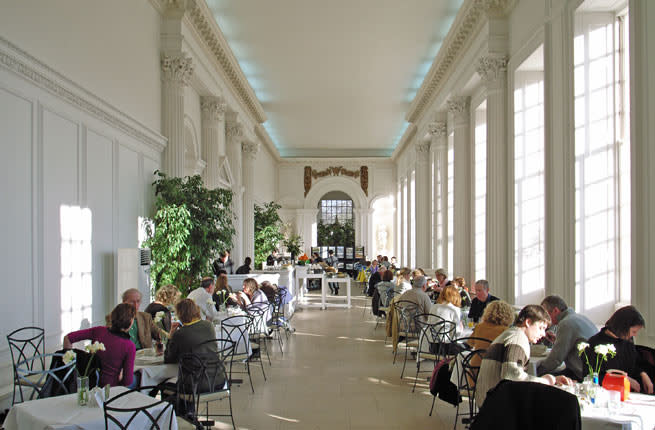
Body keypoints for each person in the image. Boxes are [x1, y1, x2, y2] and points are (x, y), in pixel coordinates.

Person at [475, 305, 572, 406]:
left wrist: (552, 380)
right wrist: (546, 381)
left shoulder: (511, 334)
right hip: (497, 408)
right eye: (541, 328)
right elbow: (512, 377)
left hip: (489, 402)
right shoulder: (518, 338)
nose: (543, 334)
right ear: (528, 322)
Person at [65, 303, 136, 387]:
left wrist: (69, 367)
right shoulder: (129, 346)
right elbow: (127, 381)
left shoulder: (98, 331)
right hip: (110, 389)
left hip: (90, 382)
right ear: (131, 321)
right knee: (138, 378)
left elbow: (67, 338)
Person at [585, 306, 653, 393]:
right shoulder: (594, 344)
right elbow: (592, 376)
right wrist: (623, 379)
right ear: (623, 328)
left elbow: (633, 364)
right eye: (633, 332)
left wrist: (643, 374)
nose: (635, 335)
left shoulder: (627, 340)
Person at [537, 295, 598, 381]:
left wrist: (535, 371)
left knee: (542, 378)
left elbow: (556, 359)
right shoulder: (579, 317)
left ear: (555, 311)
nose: (544, 319)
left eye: (546, 314)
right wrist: (557, 340)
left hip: (581, 375)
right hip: (593, 372)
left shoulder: (566, 323)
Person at [164, 299, 218, 364]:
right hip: (216, 370)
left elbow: (169, 359)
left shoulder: (179, 334)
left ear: (179, 314)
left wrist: (170, 336)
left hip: (194, 372)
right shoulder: (209, 325)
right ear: (196, 310)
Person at [468, 300, 516, 368]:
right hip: (494, 369)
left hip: (475, 368)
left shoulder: (479, 327)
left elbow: (470, 342)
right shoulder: (505, 331)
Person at [425, 285, 465, 354]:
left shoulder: (434, 307)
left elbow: (428, 326)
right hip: (447, 347)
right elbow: (456, 333)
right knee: (467, 348)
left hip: (433, 345)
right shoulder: (455, 309)